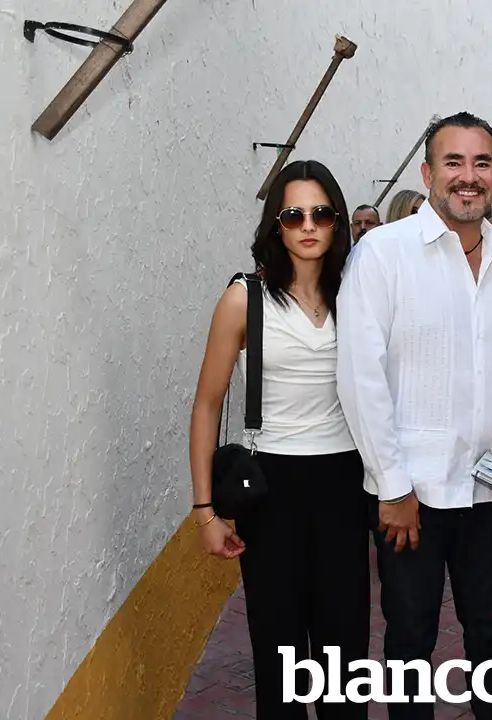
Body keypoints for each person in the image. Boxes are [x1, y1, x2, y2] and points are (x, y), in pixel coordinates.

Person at [336, 112, 492, 720]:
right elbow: (360, 377)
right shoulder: (383, 253)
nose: (468, 176)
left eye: (481, 163)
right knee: (409, 642)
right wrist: (392, 487)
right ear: (428, 174)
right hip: (413, 497)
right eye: (454, 162)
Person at [188, 160, 368, 719]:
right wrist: (204, 511)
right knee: (280, 652)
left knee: (344, 655)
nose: (308, 225)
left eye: (321, 214)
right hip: (272, 486)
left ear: (337, 222)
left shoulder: (356, 296)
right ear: (275, 223)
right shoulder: (244, 298)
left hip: (343, 480)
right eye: (293, 215)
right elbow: (207, 405)